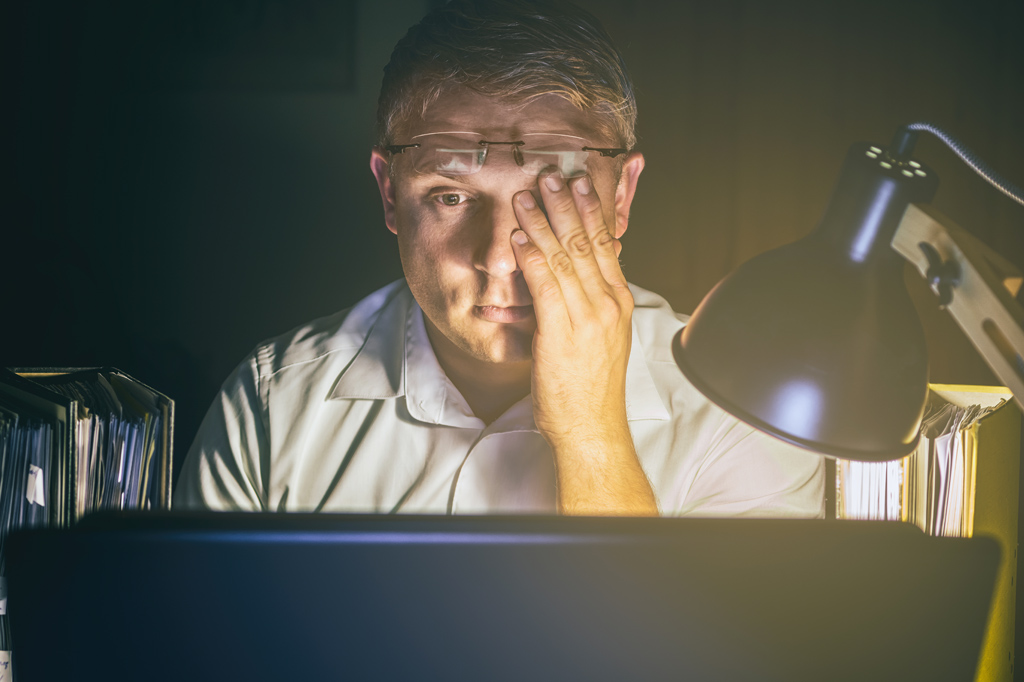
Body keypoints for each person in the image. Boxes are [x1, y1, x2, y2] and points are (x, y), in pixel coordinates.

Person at [174, 0, 823, 516]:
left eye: (551, 195)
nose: (498, 258)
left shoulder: (737, 418)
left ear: (621, 194)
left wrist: (592, 436)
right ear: (389, 194)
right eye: (452, 196)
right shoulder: (273, 407)